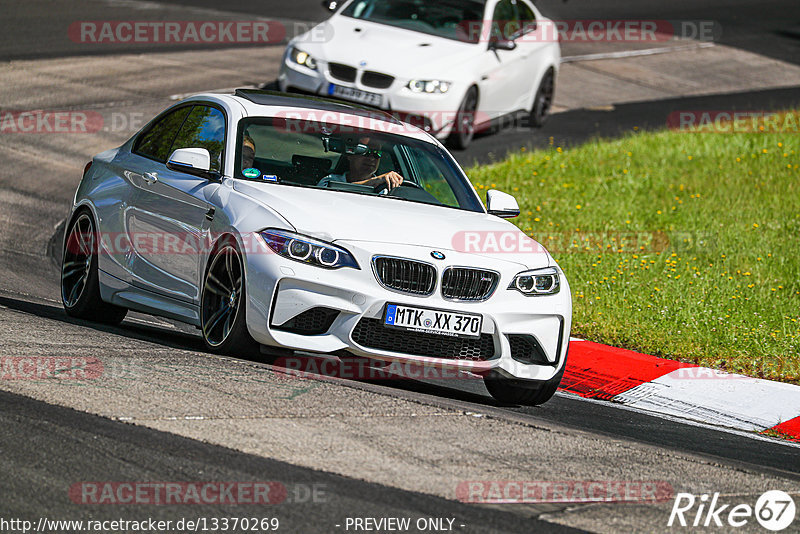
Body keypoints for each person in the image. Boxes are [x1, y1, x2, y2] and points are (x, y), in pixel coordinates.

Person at [317, 136, 404, 191]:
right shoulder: (330, 181)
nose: (372, 158)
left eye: (377, 153)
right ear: (349, 155)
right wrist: (375, 181)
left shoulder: (386, 188)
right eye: (366, 152)